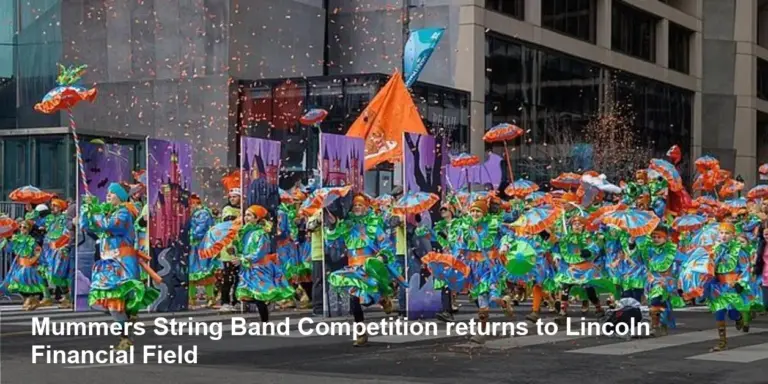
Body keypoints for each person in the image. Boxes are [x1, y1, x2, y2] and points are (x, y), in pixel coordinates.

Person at [81, 183, 159, 350]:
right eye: (107, 192)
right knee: (109, 300)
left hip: (123, 262)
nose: (108, 195)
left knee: (118, 301)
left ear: (121, 196)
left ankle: (125, 335)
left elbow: (110, 225)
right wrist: (87, 209)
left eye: (112, 193)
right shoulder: (106, 213)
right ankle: (126, 331)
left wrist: (96, 212)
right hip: (107, 263)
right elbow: (87, 226)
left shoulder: (124, 212)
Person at [326, 193, 398, 346]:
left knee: (368, 297)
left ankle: (382, 299)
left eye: (360, 205)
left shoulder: (374, 224)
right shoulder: (347, 224)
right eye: (355, 205)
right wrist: (332, 224)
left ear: (366, 207)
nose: (357, 207)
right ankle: (360, 331)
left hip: (370, 266)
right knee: (354, 299)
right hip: (353, 267)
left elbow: (385, 244)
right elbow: (332, 238)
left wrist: (382, 257)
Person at [236, 205, 294, 322]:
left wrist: (244, 259)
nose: (246, 217)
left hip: (260, 268)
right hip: (250, 268)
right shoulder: (246, 232)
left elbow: (260, 252)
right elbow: (244, 249)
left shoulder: (261, 234)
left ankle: (265, 320)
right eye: (245, 215)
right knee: (247, 295)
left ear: (257, 218)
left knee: (258, 296)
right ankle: (267, 306)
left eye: (249, 215)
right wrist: (234, 250)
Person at [706, 222, 750, 351]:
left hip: (732, 286)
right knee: (719, 312)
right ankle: (722, 341)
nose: (724, 236)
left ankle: (738, 317)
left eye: (727, 233)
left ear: (733, 235)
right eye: (721, 233)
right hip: (718, 286)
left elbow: (745, 268)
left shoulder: (739, 251)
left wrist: (740, 283)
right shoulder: (715, 249)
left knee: (732, 313)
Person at [4, 220, 46, 310]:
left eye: (24, 227)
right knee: (16, 283)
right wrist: (7, 240)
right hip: (19, 265)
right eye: (21, 227)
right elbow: (9, 249)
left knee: (25, 283)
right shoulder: (17, 238)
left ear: (29, 229)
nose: (22, 229)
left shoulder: (31, 240)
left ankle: (30, 299)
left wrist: (33, 260)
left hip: (28, 266)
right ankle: (30, 299)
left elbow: (38, 251)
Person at [40, 198, 72, 308]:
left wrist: (61, 246)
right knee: (42, 272)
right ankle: (47, 297)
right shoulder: (49, 219)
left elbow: (67, 233)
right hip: (47, 249)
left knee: (59, 273)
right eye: (52, 205)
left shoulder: (64, 218)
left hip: (59, 249)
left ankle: (68, 297)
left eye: (55, 206)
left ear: (60, 208)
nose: (52, 208)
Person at [188, 194, 218, 308]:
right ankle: (191, 298)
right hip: (193, 247)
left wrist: (189, 235)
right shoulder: (193, 213)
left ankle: (210, 297)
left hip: (201, 246)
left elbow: (199, 230)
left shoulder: (203, 213)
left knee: (205, 271)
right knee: (191, 273)